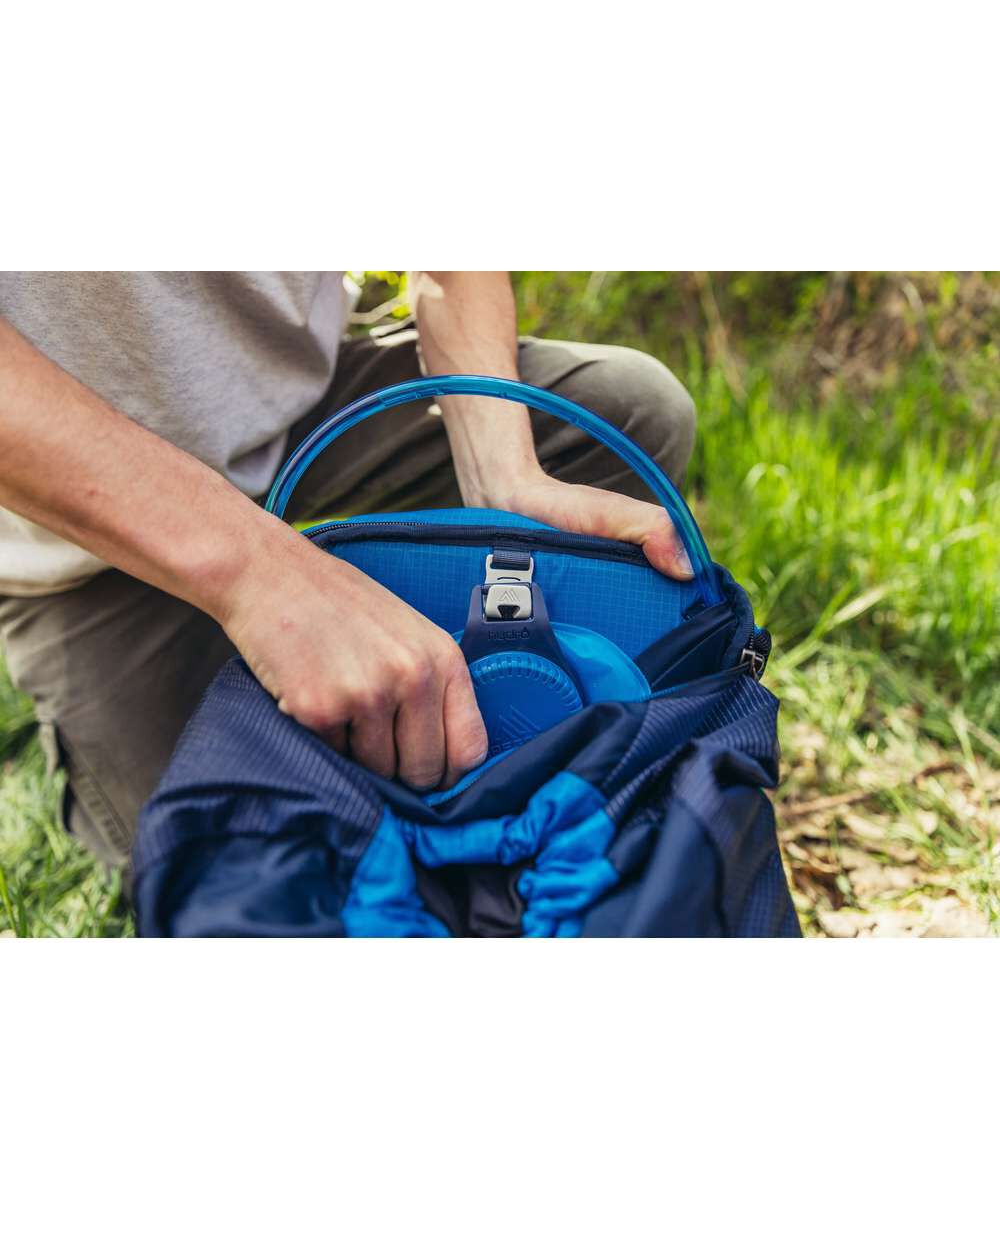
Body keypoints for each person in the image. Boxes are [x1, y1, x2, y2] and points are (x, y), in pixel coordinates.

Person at [0, 271, 697, 871]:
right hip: (81, 530)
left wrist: (502, 479)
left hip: (294, 411)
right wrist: (260, 575)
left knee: (631, 408)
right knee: (213, 864)